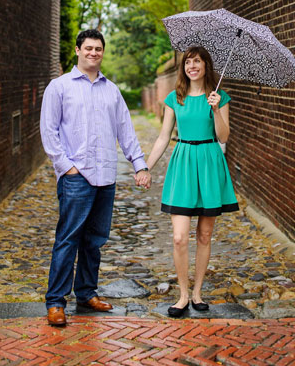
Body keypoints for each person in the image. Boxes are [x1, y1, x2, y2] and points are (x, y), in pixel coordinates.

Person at [40, 29, 152, 326]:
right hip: (76, 177)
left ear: (103, 52)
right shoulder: (59, 87)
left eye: (98, 49)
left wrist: (139, 165)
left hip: (106, 176)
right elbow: (48, 132)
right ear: (77, 50)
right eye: (88, 48)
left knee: (95, 241)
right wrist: (66, 167)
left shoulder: (111, 90)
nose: (93, 53)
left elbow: (125, 131)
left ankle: (86, 293)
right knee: (67, 239)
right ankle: (55, 302)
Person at [144, 46, 239, 317]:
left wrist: (216, 109)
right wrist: (146, 166)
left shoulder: (219, 97)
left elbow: (224, 137)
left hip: (209, 162)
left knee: (205, 235)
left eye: (197, 61)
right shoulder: (175, 98)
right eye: (188, 62)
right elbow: (164, 136)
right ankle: (183, 295)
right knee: (178, 237)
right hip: (183, 162)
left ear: (206, 66)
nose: (192, 66)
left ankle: (198, 292)